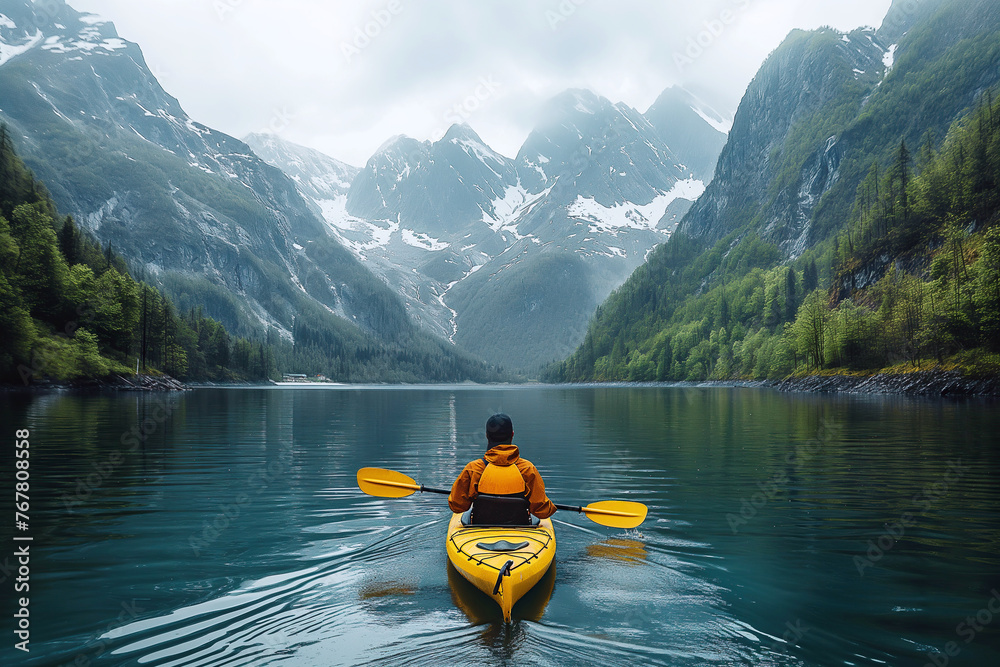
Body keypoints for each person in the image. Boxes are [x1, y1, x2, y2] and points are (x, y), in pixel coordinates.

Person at [448, 413, 557, 525]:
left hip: (480, 529)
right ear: (512, 434)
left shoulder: (473, 469)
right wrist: (550, 507)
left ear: (486, 435)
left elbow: (457, 506)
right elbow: (542, 512)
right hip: (520, 530)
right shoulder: (527, 469)